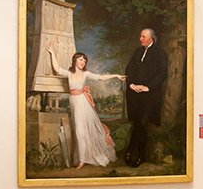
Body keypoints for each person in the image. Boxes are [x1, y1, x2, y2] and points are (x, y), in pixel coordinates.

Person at [47, 46, 125, 169]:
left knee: (83, 131)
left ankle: (83, 160)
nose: (83, 62)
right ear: (75, 61)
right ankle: (83, 158)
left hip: (83, 104)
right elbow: (57, 69)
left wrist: (116, 75)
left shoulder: (86, 74)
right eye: (80, 59)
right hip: (75, 103)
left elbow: (100, 77)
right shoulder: (69, 73)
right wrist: (52, 52)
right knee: (80, 131)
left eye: (84, 60)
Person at [124, 28, 167, 167]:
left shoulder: (160, 53)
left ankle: (131, 151)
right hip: (135, 95)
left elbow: (162, 74)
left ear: (151, 38)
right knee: (138, 125)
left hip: (150, 95)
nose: (140, 39)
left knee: (142, 124)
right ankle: (139, 156)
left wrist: (148, 87)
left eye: (143, 36)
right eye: (141, 36)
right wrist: (131, 84)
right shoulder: (137, 52)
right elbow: (128, 70)